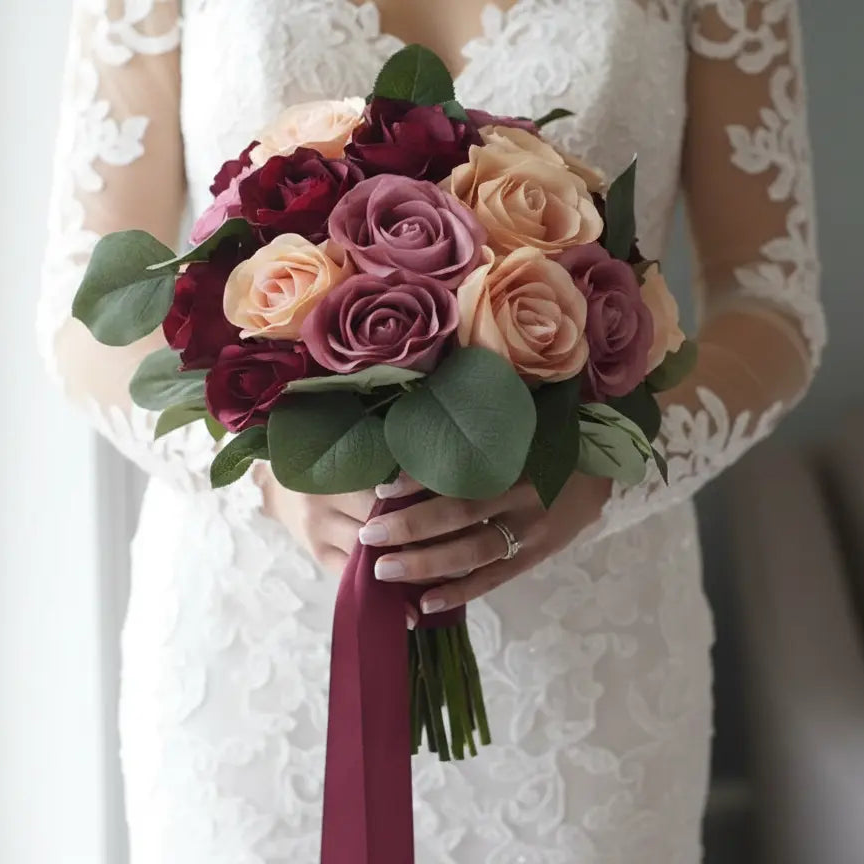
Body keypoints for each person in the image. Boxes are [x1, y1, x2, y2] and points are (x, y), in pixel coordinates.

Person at [39, 1, 824, 861]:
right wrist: (268, 475)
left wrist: (601, 475)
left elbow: (770, 301)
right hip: (251, 662)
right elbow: (85, 313)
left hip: (589, 657)